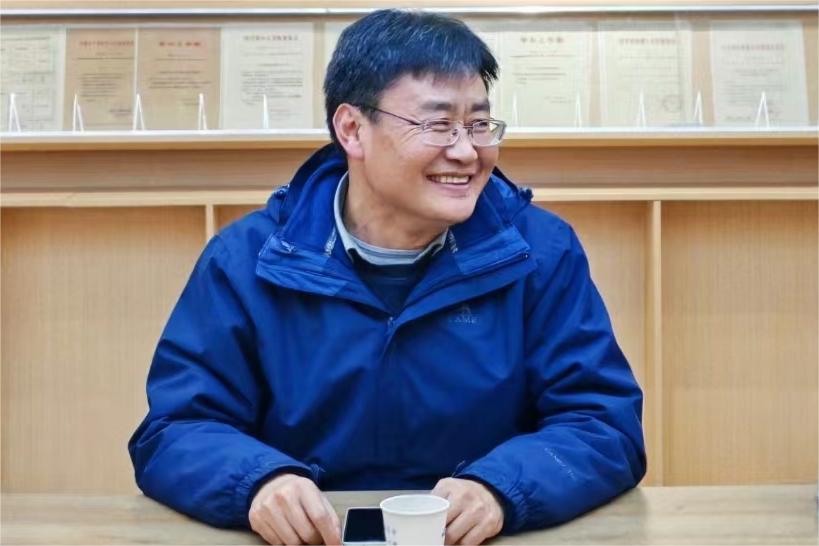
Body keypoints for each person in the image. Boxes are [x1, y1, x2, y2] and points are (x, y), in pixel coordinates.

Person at [128, 9, 646, 546]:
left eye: (478, 124)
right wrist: (259, 482)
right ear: (352, 129)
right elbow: (175, 431)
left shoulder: (539, 252)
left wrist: (500, 488)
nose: (466, 151)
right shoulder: (248, 260)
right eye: (438, 125)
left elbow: (603, 424)